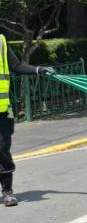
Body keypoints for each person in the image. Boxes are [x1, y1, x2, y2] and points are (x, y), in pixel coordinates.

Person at [0, 36, 53, 206]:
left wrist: (37, 70)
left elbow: (16, 66)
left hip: (2, 111)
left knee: (2, 152)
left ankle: (7, 191)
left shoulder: (0, 41)